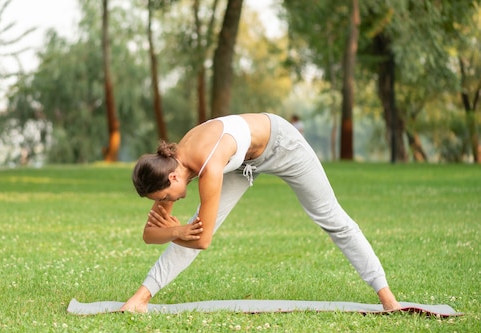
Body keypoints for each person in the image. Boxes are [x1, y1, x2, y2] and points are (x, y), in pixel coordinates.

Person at [120, 113, 402, 313]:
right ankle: (140, 299)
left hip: (282, 145)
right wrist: (177, 231)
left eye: (166, 197)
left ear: (171, 179)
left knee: (331, 218)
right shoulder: (168, 165)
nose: (170, 201)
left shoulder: (209, 165)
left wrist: (177, 231)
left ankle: (387, 297)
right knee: (192, 228)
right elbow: (149, 235)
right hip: (242, 162)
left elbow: (202, 240)